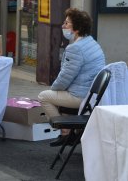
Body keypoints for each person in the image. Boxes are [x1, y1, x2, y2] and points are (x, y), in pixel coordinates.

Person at [38, 8, 105, 147]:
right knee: (59, 95)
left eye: (67, 23)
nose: (63, 26)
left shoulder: (75, 48)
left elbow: (64, 78)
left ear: (77, 28)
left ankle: (65, 132)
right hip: (92, 95)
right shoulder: (92, 43)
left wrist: (53, 89)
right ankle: (71, 133)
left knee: (44, 96)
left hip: (81, 96)